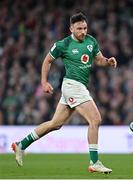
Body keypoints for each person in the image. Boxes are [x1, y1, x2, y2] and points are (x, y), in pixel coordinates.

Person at [12, 12, 117, 174]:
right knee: (95, 119)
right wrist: (44, 82)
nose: (83, 31)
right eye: (79, 28)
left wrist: (108, 61)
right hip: (72, 85)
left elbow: (99, 59)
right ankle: (94, 162)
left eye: (85, 28)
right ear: (71, 29)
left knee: (55, 124)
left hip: (79, 86)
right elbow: (47, 60)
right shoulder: (63, 44)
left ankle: (21, 145)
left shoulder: (91, 41)